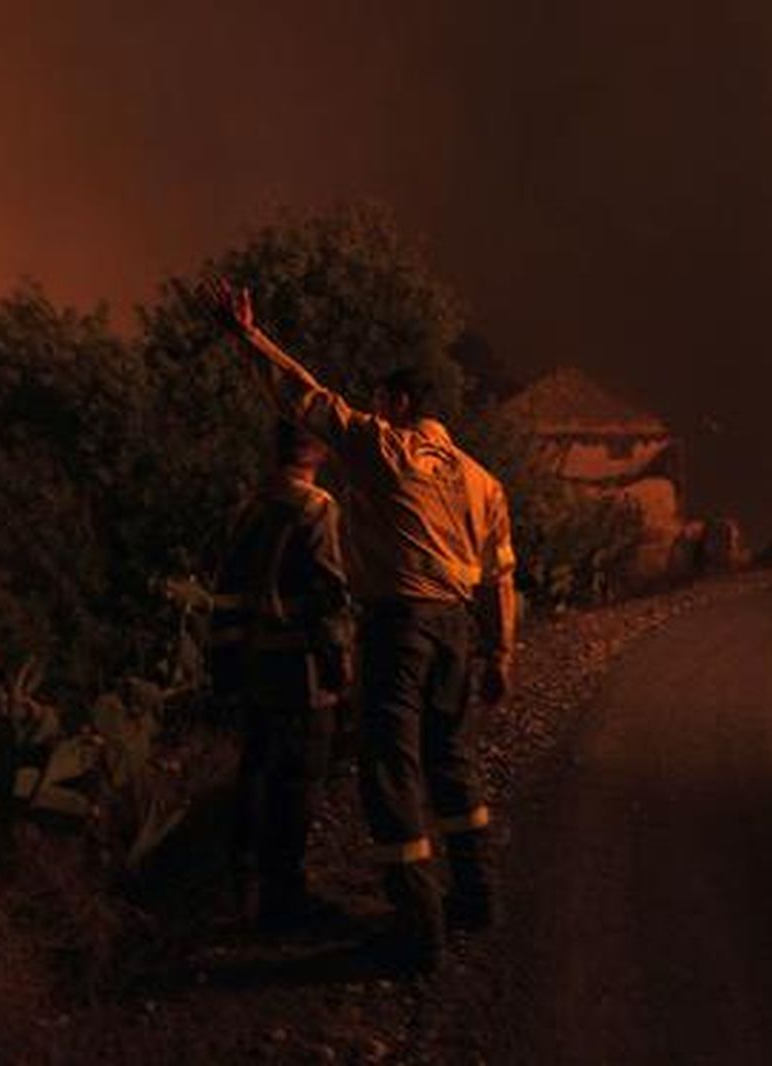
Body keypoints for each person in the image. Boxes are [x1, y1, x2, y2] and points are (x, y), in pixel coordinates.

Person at [211, 279, 517, 973]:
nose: (375, 408)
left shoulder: (385, 447)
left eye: (382, 400)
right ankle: (475, 895)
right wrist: (500, 654)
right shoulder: (483, 481)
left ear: (400, 405)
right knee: (453, 764)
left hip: (400, 627)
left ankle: (418, 930)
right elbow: (502, 576)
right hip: (458, 634)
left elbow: (305, 397)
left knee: (391, 772)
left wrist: (247, 337)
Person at [209, 417, 355, 935]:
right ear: (315, 453)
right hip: (302, 671)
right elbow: (328, 596)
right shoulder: (316, 509)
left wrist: (224, 665)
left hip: (253, 666)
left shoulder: (248, 507)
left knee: (256, 773)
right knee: (299, 782)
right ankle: (285, 898)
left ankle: (238, 890)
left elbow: (224, 594)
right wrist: (340, 665)